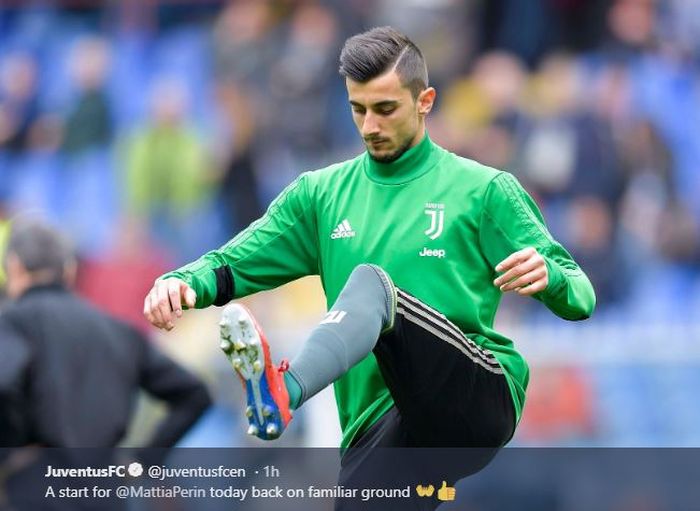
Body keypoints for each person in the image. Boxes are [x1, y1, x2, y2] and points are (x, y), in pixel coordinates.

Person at [144, 26, 595, 507]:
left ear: (425, 101)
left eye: (385, 109)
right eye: (358, 109)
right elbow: (233, 263)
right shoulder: (320, 195)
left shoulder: (483, 190)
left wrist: (550, 279)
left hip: (474, 397)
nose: (369, 126)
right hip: (378, 430)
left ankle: (285, 391)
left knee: (375, 286)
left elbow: (581, 294)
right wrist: (180, 283)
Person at [0, 219, 212, 447]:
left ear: (14, 267)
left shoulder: (10, 323)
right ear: (70, 271)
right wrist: (143, 459)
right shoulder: (118, 331)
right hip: (104, 477)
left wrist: (10, 455)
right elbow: (194, 394)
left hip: (30, 479)